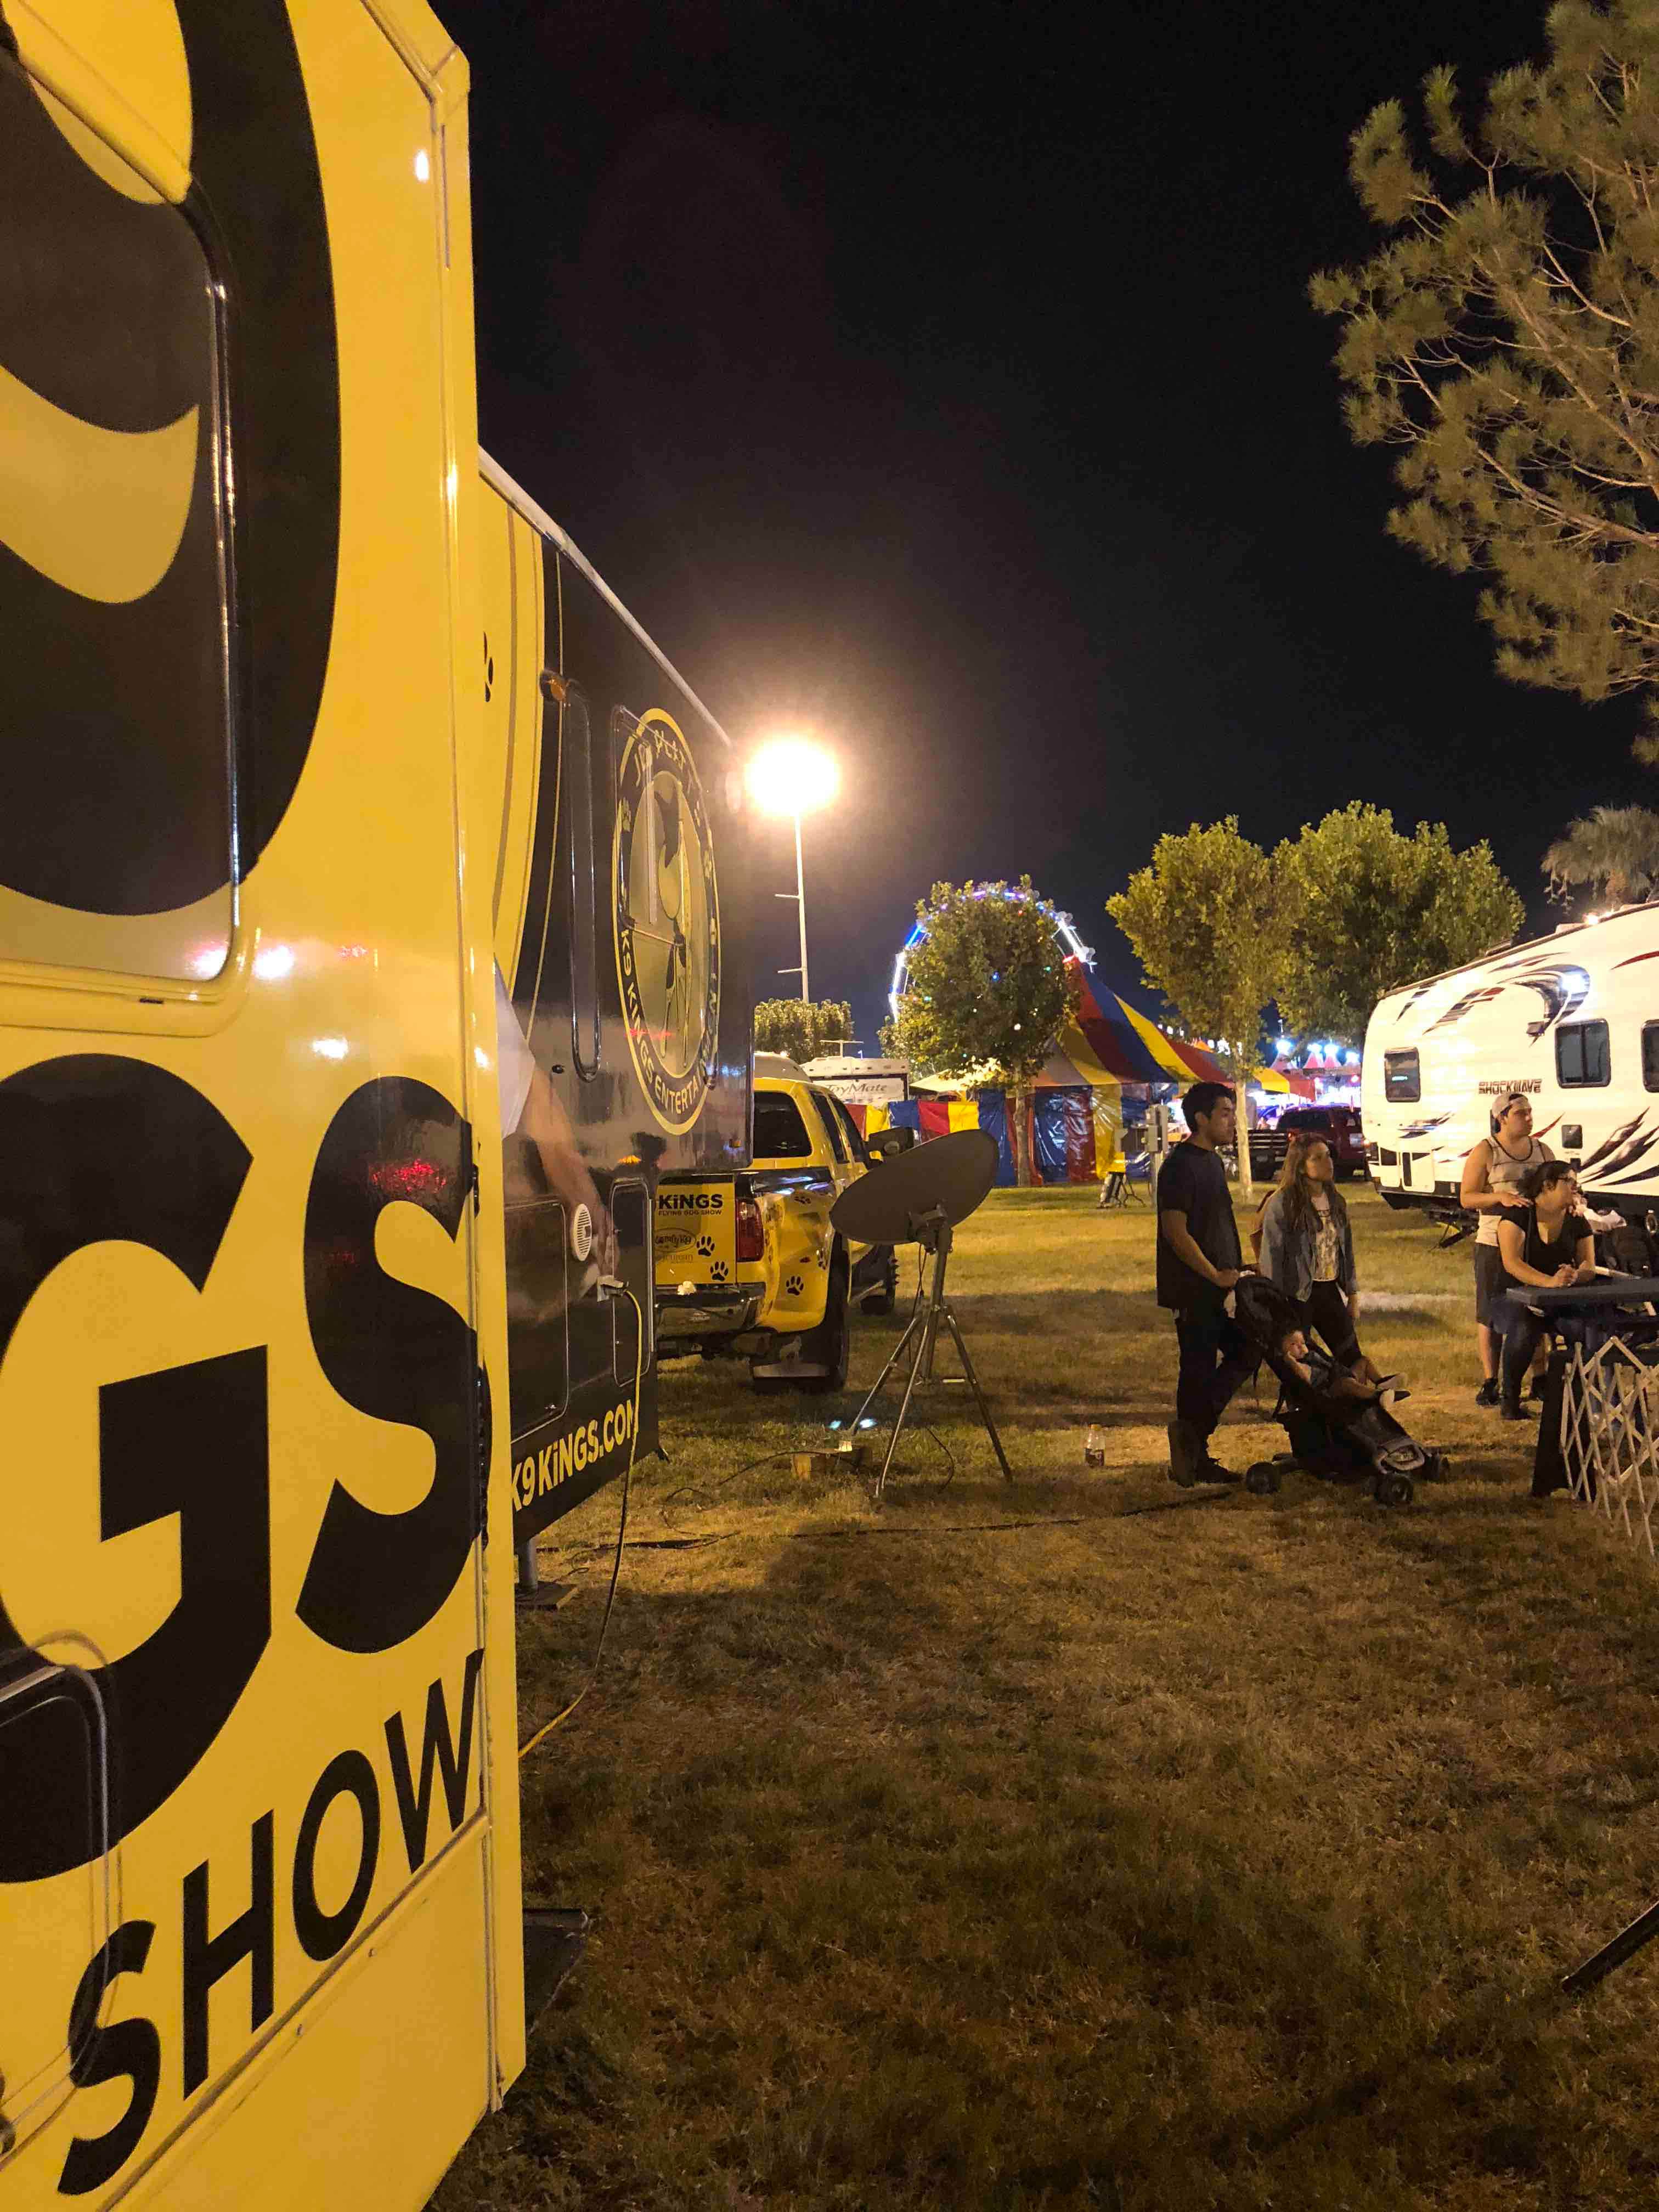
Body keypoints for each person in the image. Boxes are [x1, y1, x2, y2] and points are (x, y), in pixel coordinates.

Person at [1158, 1080, 1251, 1486]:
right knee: (1196, 1369)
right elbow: (1175, 1231)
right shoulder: (1180, 1166)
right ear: (1201, 1119)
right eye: (1225, 1113)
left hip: (1223, 1286)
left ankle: (1191, 1439)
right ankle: (1193, 1452)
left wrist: (1239, 1269)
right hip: (1195, 1289)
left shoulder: (1212, 1162)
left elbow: (1217, 1225)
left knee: (1248, 1350)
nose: (1233, 1121)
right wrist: (1213, 1275)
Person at [1257, 1135, 1390, 1391]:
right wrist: (1277, 1305)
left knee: (1349, 1350)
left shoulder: (1336, 1201)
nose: (1327, 1162)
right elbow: (1272, 1256)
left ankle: (1365, 1401)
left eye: (1328, 1155)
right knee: (1302, 1360)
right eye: (1317, 1158)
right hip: (1297, 1294)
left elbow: (1346, 1251)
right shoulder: (1283, 1203)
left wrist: (1352, 1294)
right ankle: (1313, 1408)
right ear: (1300, 1165)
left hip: (1328, 1289)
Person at [1461, 1093, 1552, 1407]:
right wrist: (1500, 1198)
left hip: (1534, 1243)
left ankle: (1540, 1377)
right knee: (1489, 1313)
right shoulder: (1486, 1151)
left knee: (1538, 1308)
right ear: (1502, 1117)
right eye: (1521, 1113)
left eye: (1530, 1113)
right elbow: (1468, 1197)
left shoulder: (1542, 1150)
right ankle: (1491, 1381)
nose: (1529, 1118)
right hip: (1493, 1242)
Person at [1492, 1160, 1596, 1421]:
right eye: (1570, 1182)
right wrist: (1550, 1281)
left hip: (1560, 1298)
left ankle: (1579, 1396)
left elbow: (1589, 1266)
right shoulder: (1518, 1216)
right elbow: (1512, 1264)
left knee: (1584, 1326)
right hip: (1512, 1295)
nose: (1576, 1187)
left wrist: (1575, 1275)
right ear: (1548, 1186)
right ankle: (1510, 1398)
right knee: (1526, 1324)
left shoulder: (1576, 1219)